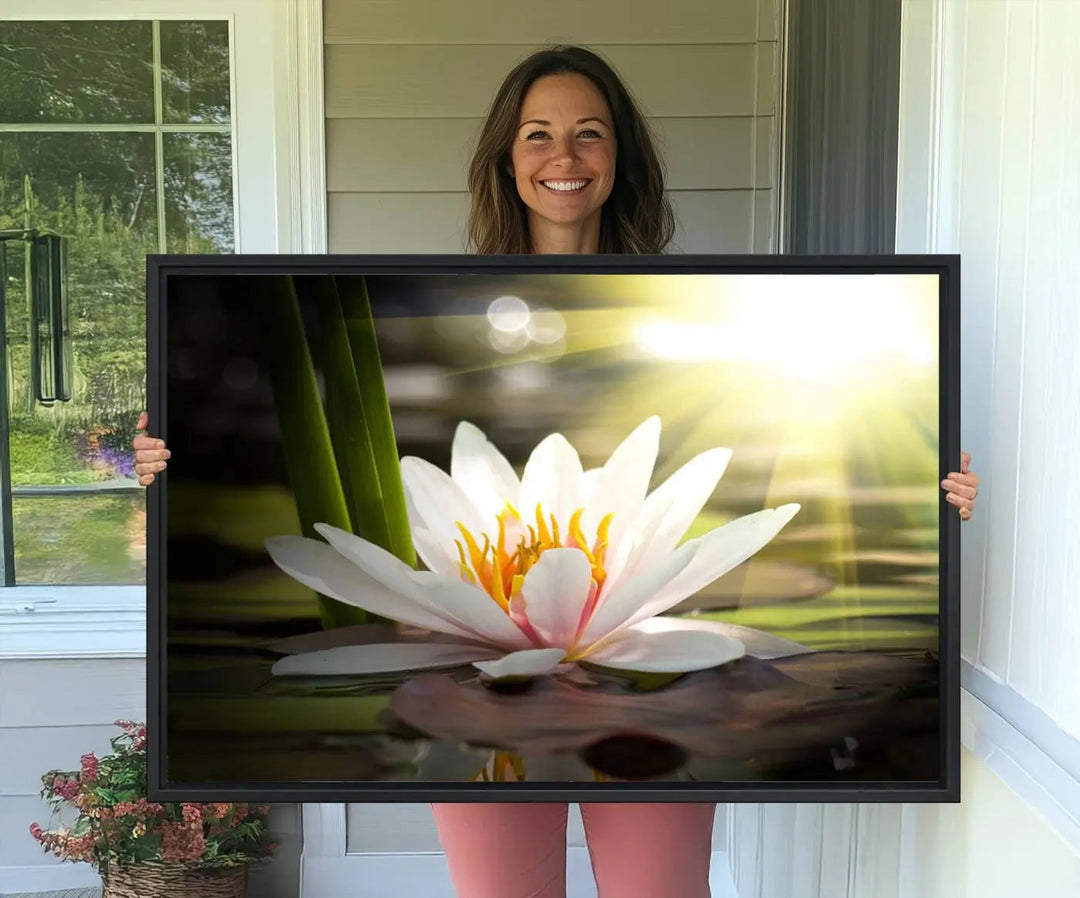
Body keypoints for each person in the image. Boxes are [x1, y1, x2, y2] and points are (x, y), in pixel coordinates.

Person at [133, 45, 980, 898]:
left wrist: (938, 492)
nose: (563, 157)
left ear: (621, 159)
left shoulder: (697, 310)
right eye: (537, 135)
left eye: (589, 134)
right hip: (476, 680)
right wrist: (165, 463)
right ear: (507, 158)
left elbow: (811, 427)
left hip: (646, 681)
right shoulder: (444, 298)